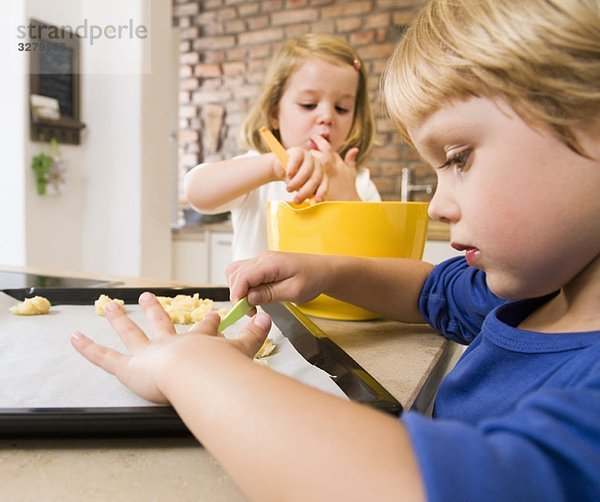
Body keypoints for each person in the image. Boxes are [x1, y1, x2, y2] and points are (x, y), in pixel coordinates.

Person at [71, 0, 600, 500]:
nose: (438, 205)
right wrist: (326, 270)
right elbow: (433, 289)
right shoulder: (533, 293)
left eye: (458, 157)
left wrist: (188, 366)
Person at [183, 33, 381, 261]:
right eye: (308, 105)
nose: (327, 116)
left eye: (342, 108)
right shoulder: (259, 172)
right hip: (258, 298)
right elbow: (195, 190)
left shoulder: (359, 183)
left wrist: (349, 200)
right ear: (274, 113)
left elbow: (378, 265)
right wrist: (273, 167)